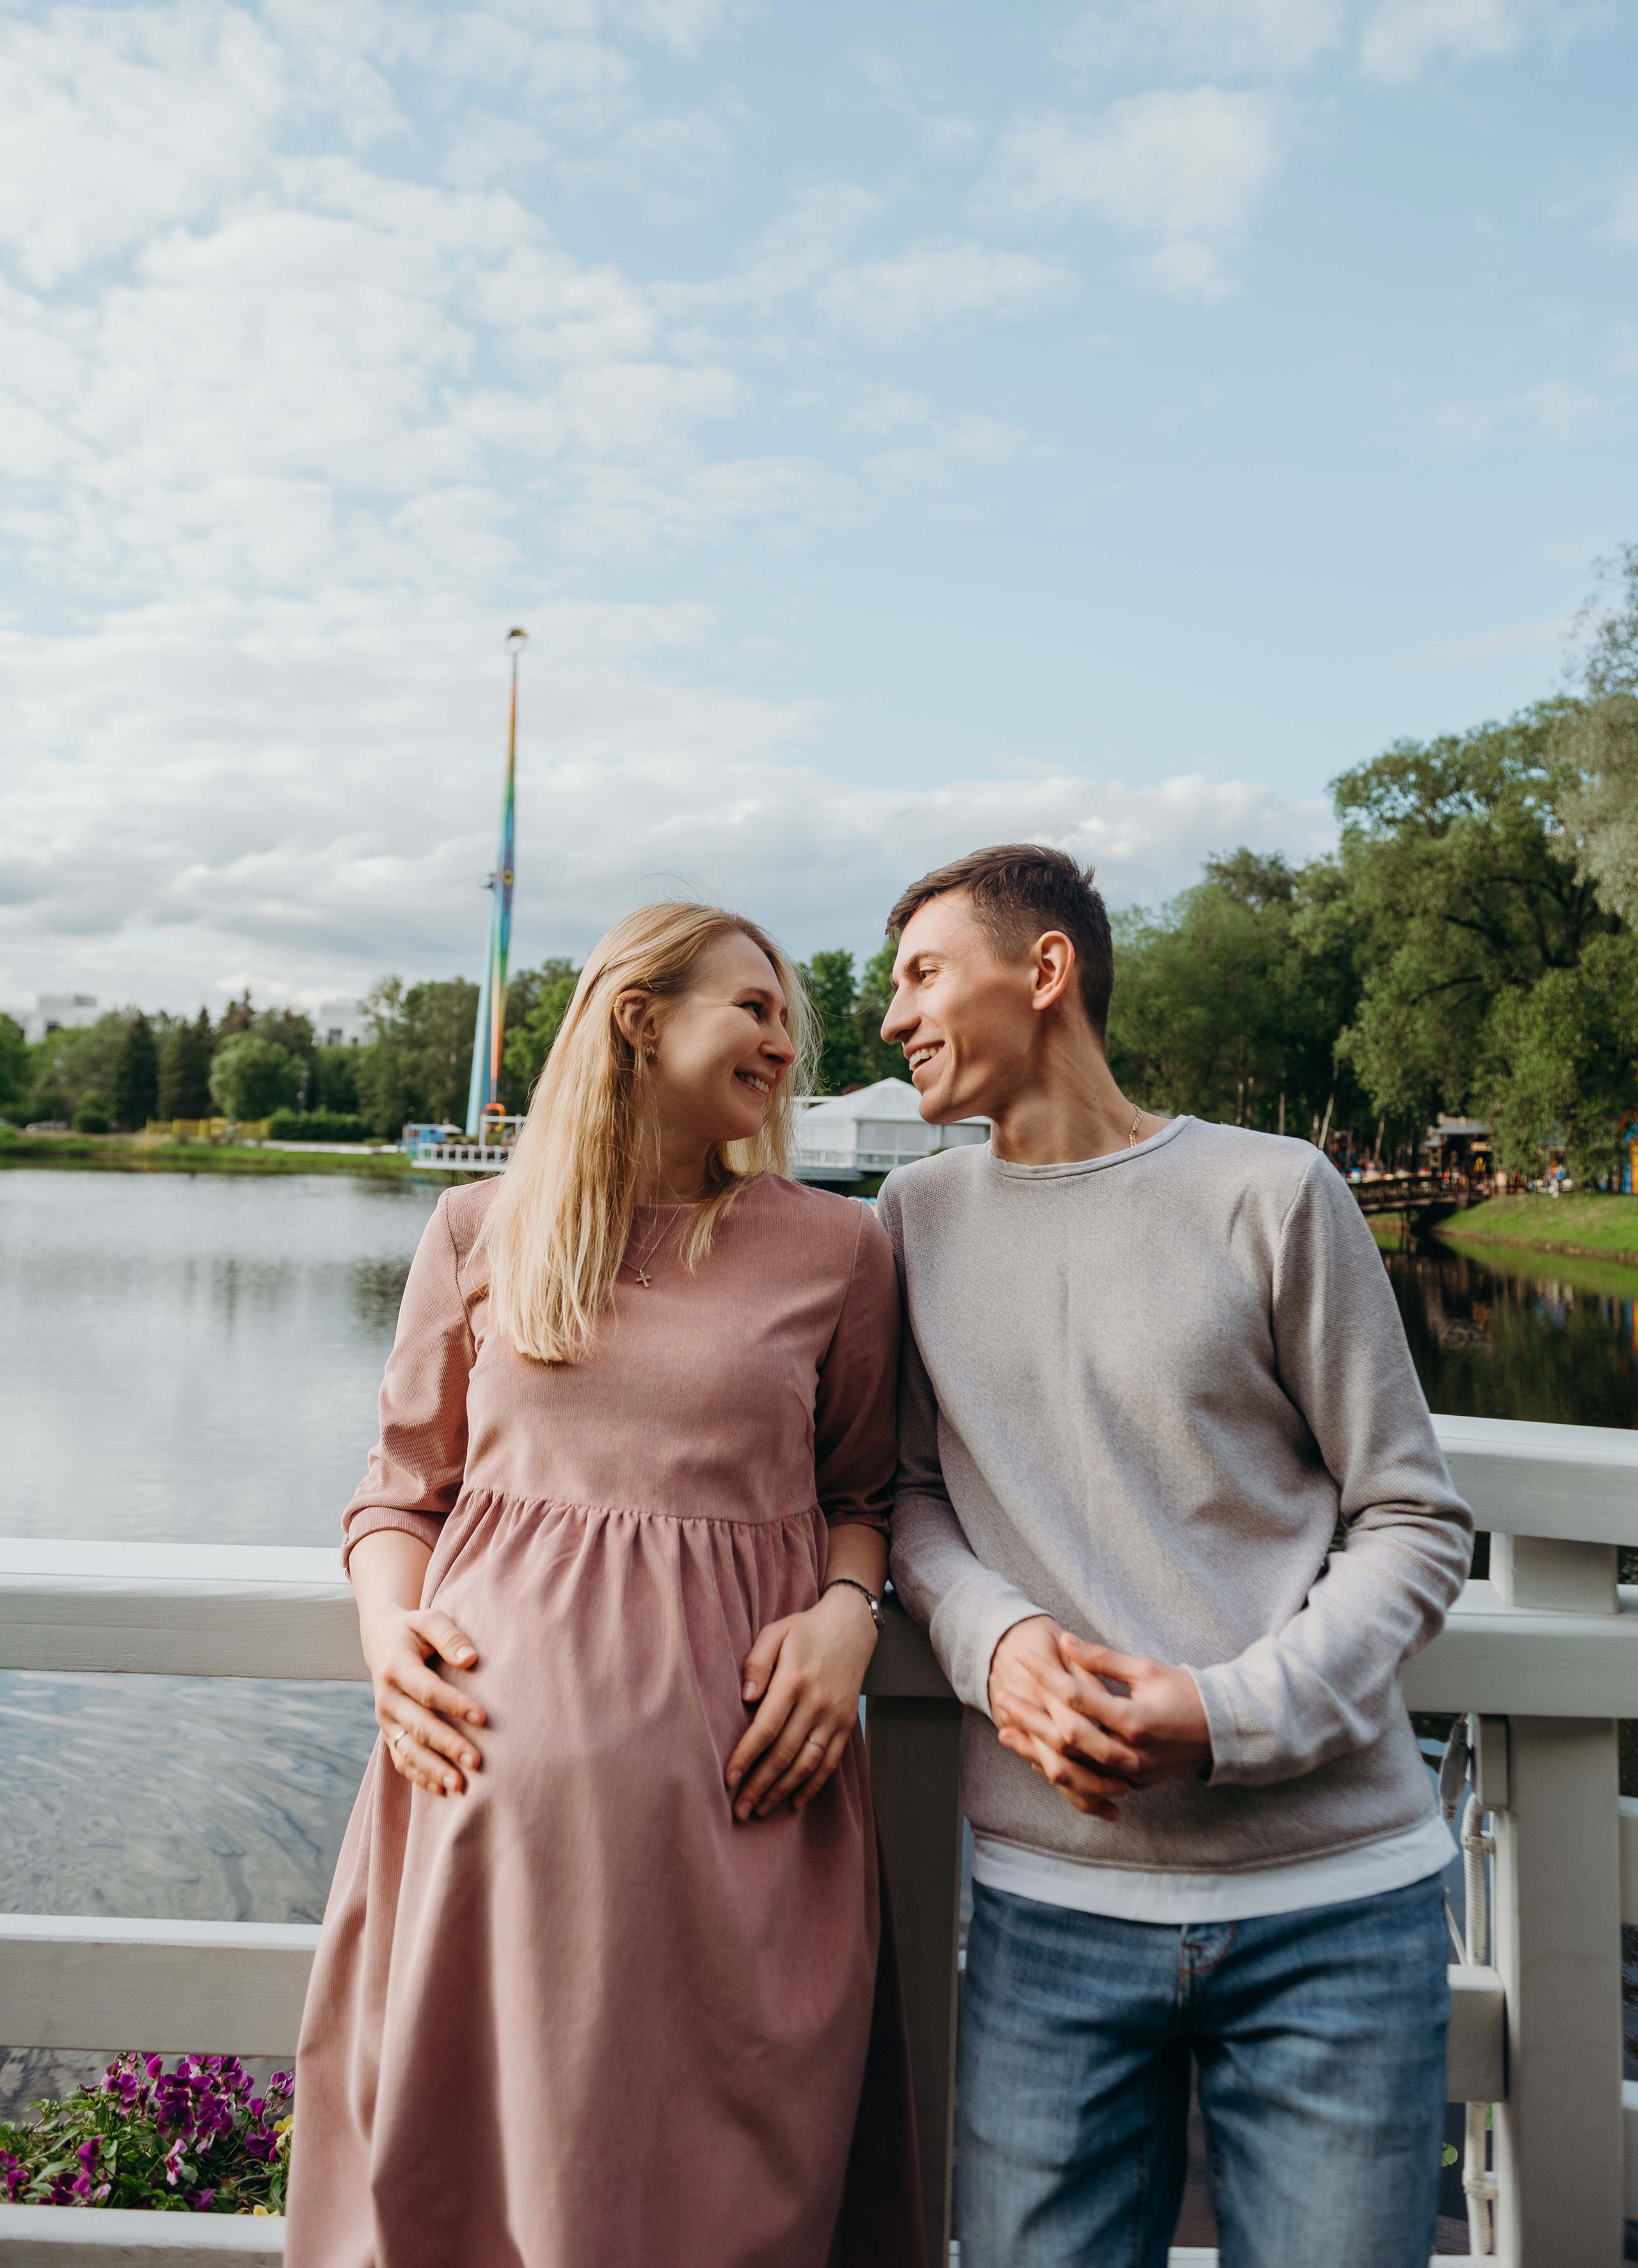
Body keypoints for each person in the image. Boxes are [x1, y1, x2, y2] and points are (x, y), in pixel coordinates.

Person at [286, 902, 922, 2268]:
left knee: (725, 2194)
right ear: (637, 1016)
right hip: (482, 1813)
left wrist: (842, 1614)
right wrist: (389, 1640)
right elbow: (401, 1493)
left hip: (736, 1812)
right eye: (749, 1007)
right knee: (469, 2194)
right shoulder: (475, 1232)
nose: (781, 1042)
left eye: (785, 1020)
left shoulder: (836, 1250)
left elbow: (864, 1496)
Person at [875, 844, 1474, 2268]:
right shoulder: (909, 1222)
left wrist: (1224, 1720)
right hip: (1046, 1916)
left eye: (919, 976)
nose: (890, 1018)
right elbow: (903, 1496)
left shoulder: (1273, 1192)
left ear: (1043, 971)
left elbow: (1411, 1518)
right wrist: (997, 1645)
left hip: (1334, 1909)